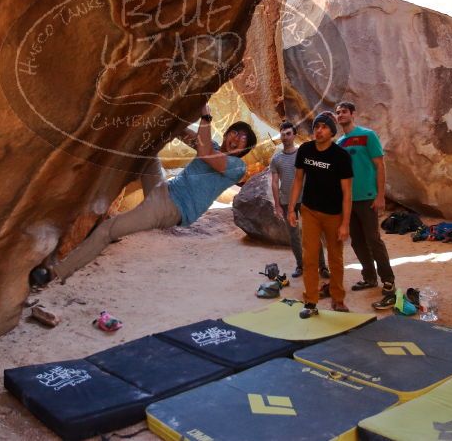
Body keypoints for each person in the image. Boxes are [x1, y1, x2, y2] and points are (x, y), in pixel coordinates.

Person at [42, 104, 257, 283]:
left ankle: (55, 273)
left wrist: (206, 116)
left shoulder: (236, 167)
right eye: (235, 132)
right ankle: (103, 197)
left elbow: (204, 152)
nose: (237, 137)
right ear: (228, 132)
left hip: (170, 207)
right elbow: (183, 134)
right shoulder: (213, 146)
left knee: (106, 231)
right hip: (164, 189)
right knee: (147, 151)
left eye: (243, 139)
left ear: (244, 150)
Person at [288, 111, 353, 318]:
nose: (319, 130)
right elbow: (298, 181)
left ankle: (338, 299)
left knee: (335, 258)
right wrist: (291, 208)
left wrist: (345, 223)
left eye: (324, 127)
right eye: (316, 126)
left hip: (334, 214)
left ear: (332, 132)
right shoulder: (305, 150)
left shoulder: (341, 156)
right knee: (310, 258)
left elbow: (347, 193)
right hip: (310, 211)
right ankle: (310, 302)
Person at [335, 102, 397, 306]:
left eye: (344, 111)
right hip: (348, 201)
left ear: (353, 114)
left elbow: (380, 165)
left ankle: (388, 281)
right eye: (338, 113)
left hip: (368, 197)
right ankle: (369, 277)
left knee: (374, 239)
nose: (340, 115)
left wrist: (380, 195)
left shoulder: (368, 135)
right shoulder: (339, 143)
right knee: (357, 242)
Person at [270, 121, 329, 280]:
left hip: (306, 200)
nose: (285, 137)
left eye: (288, 133)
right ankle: (300, 265)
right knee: (294, 236)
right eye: (282, 134)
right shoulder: (276, 159)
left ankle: (322, 267)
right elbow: (275, 183)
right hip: (287, 201)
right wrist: (277, 205)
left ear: (294, 135)